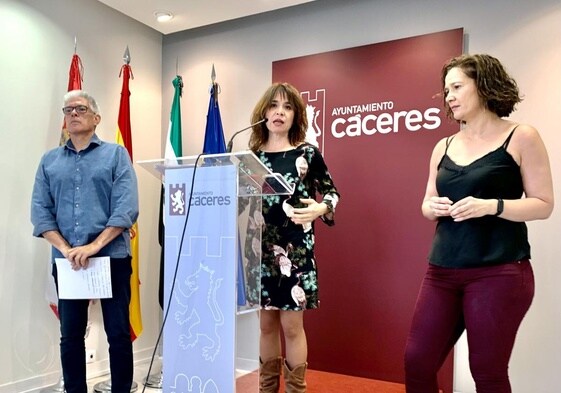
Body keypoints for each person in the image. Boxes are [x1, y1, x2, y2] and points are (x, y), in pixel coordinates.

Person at [404, 54, 554, 393]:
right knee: (417, 362)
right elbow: (426, 203)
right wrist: (434, 207)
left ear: (483, 86)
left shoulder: (521, 136)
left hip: (499, 271)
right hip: (442, 270)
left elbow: (544, 205)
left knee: (486, 372)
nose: (449, 97)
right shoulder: (443, 145)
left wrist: (492, 206)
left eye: (457, 87)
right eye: (446, 91)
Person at [31, 90, 139, 393]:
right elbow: (40, 212)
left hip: (111, 258)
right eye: (68, 110)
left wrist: (93, 247)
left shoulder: (116, 155)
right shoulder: (49, 161)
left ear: (96, 118)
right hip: (68, 263)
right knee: (70, 335)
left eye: (80, 108)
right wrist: (66, 250)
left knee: (118, 333)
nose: (73, 114)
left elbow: (126, 207)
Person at [248, 82, 340, 393]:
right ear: (263, 113)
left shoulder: (307, 153)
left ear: (296, 115)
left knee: (291, 325)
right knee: (265, 324)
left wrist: (319, 208)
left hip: (295, 250)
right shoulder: (250, 157)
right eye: (274, 106)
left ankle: (295, 390)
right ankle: (267, 388)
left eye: (287, 107)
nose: (279, 112)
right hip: (258, 248)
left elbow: (332, 193)